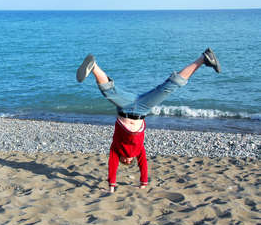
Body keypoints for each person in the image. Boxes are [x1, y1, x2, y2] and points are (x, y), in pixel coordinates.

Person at [76, 48, 221, 193]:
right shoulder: (139, 151)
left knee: (108, 91)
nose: (126, 160)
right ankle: (203, 59)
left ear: (120, 158)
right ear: (133, 159)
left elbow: (112, 165)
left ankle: (94, 66)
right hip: (142, 109)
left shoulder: (115, 148)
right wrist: (143, 183)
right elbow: (143, 165)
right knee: (170, 86)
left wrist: (111, 187)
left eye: (123, 161)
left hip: (124, 107)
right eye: (129, 162)